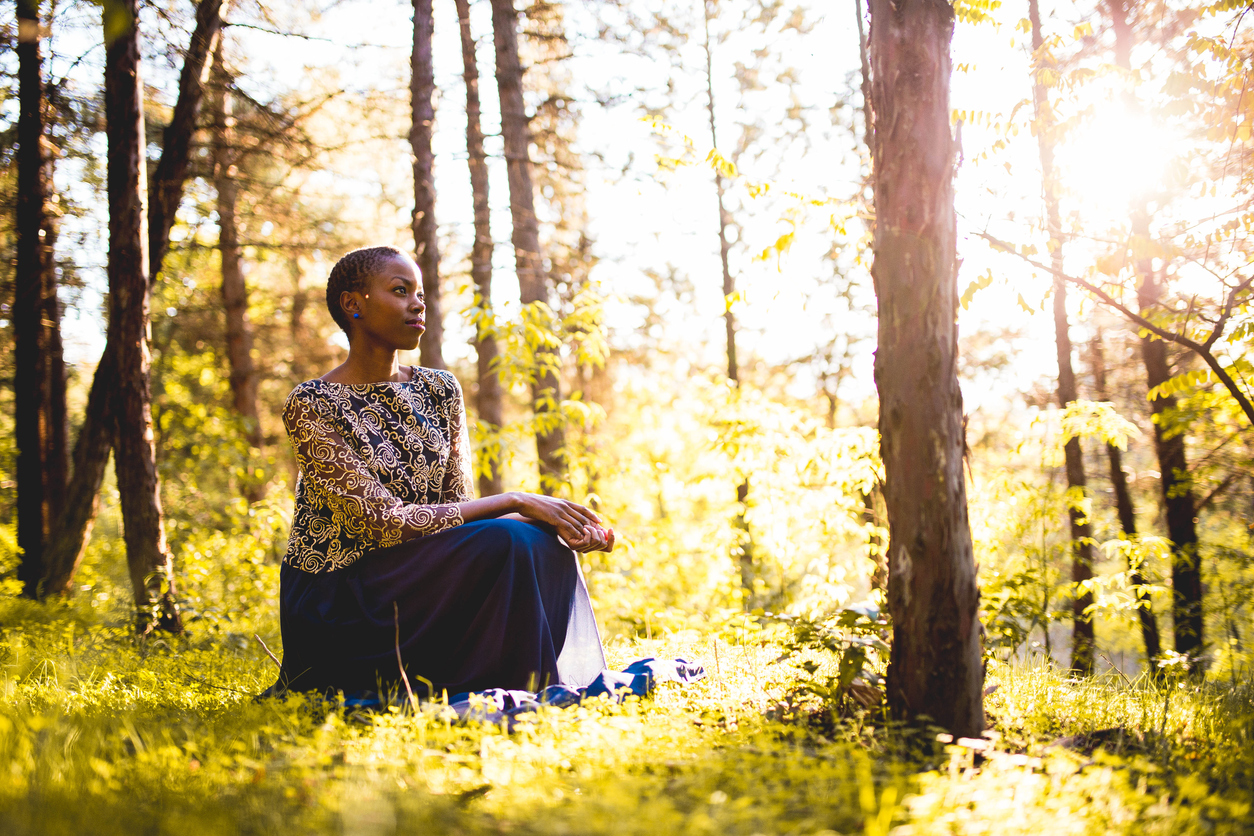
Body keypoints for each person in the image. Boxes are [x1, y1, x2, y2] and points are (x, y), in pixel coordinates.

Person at [272, 245, 611, 700]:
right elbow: (382, 522)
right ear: (353, 304)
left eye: (421, 294)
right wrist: (515, 500)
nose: (417, 304)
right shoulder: (311, 402)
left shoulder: (439, 388)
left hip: (417, 575)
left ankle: (528, 681)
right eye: (400, 291)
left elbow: (456, 513)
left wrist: (556, 522)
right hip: (343, 597)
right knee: (507, 535)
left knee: (532, 539)